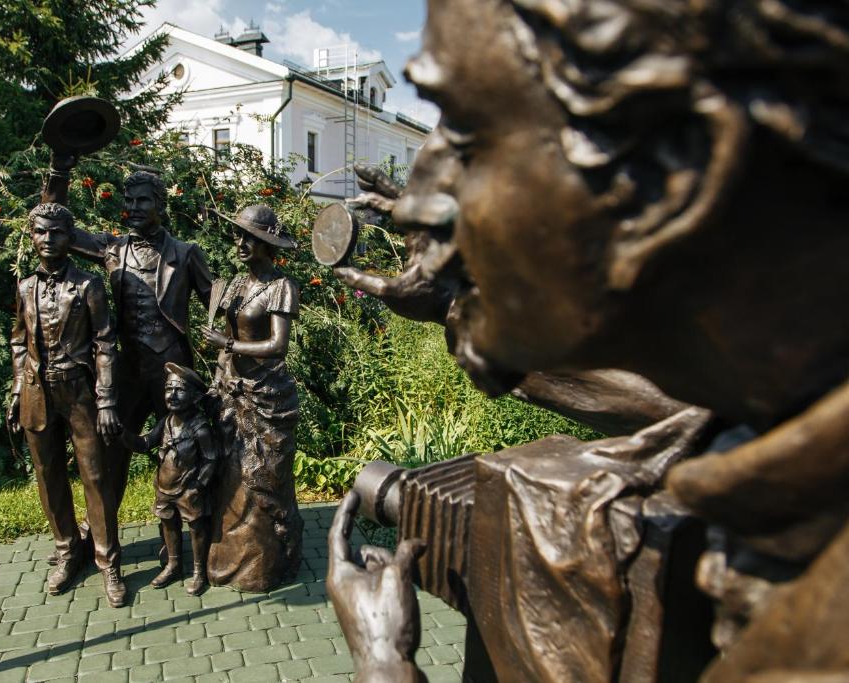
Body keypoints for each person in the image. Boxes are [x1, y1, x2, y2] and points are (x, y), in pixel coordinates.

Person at [328, 1, 849, 680]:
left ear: (679, 177)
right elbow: (686, 394)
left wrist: (383, 661)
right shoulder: (784, 393)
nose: (419, 200)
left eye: (467, 135)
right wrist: (461, 301)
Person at [68, 171, 214, 515]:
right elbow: (65, 232)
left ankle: (195, 530)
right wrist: (60, 172)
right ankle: (101, 530)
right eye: (129, 200)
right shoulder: (113, 248)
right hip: (128, 367)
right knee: (111, 446)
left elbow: (216, 306)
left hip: (172, 369)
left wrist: (233, 354)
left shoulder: (186, 253)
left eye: (142, 200)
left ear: (159, 205)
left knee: (183, 449)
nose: (133, 207)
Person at [7, 203, 126, 608]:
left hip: (79, 393)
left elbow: (105, 343)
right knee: (48, 475)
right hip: (36, 392)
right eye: (40, 231)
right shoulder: (25, 287)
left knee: (95, 475)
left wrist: (106, 400)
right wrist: (16, 391)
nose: (48, 239)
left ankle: (108, 561)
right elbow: (19, 342)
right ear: (32, 236)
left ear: (70, 237)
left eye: (56, 232)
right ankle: (67, 550)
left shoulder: (89, 285)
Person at [201, 204, 304, 592]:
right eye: (239, 236)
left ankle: (266, 564)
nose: (241, 243)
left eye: (250, 238)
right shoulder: (234, 286)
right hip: (233, 394)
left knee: (261, 479)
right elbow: (226, 345)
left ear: (267, 244)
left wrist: (228, 344)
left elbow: (278, 346)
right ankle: (225, 560)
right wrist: (218, 379)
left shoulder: (281, 286)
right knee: (231, 479)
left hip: (267, 399)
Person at [119, 363, 218, 596]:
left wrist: (198, 485)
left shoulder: (200, 427)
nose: (171, 395)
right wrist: (122, 434)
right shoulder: (165, 422)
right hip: (164, 488)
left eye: (179, 390)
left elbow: (211, 458)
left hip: (189, 489)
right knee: (169, 524)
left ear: (194, 397)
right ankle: (173, 564)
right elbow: (145, 443)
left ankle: (199, 571)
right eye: (168, 389)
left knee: (196, 528)